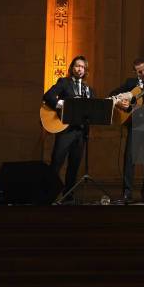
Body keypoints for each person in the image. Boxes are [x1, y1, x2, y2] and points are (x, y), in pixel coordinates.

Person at [109, 58, 144, 205]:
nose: (142, 73)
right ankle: (127, 193)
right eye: (139, 71)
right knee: (129, 158)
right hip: (135, 125)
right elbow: (112, 94)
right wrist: (122, 103)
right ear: (134, 72)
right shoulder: (130, 84)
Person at [43, 55, 95, 201]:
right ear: (72, 68)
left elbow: (92, 110)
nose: (80, 69)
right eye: (77, 66)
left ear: (86, 71)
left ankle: (68, 196)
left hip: (80, 132)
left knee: (74, 166)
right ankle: (49, 195)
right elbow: (48, 96)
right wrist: (62, 104)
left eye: (83, 67)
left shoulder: (88, 89)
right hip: (65, 130)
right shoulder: (64, 82)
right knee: (57, 162)